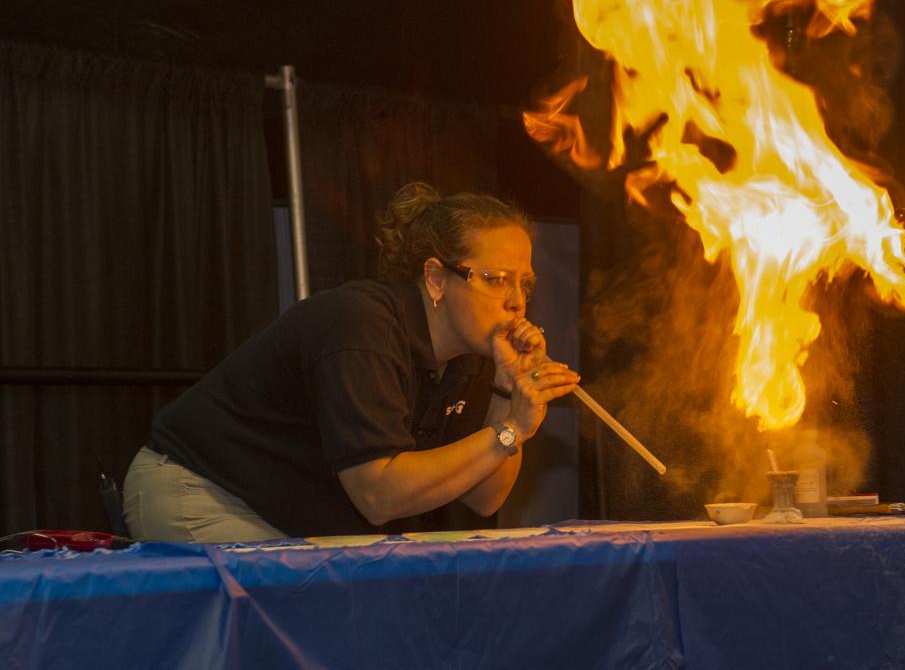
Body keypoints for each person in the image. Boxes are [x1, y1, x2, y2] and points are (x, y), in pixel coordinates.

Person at [122, 181, 579, 542]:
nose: (517, 302)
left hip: (293, 513)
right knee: (308, 616)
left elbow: (484, 497)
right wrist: (512, 430)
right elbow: (378, 495)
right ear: (437, 278)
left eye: (525, 284)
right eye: (496, 279)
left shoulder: (476, 353)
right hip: (203, 491)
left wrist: (505, 392)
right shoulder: (363, 326)